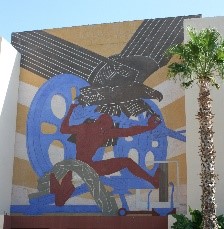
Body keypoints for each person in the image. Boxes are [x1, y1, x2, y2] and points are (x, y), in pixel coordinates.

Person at [51, 102, 161, 206]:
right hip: (89, 169)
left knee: (60, 198)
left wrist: (71, 108)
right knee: (127, 162)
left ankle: (57, 190)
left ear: (98, 120)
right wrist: (149, 127)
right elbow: (129, 131)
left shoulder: (83, 128)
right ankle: (153, 180)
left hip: (78, 168)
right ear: (108, 124)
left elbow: (63, 129)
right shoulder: (105, 132)